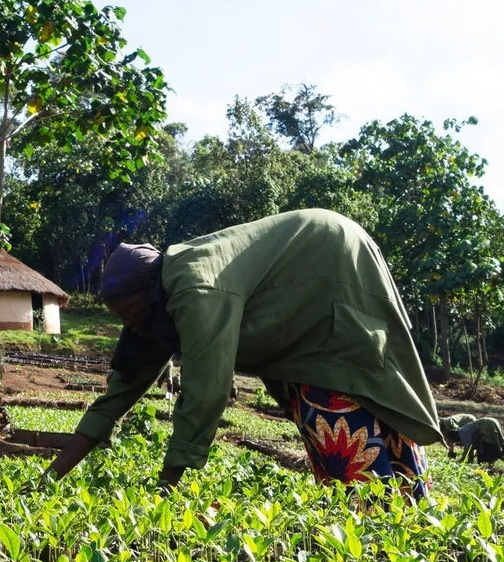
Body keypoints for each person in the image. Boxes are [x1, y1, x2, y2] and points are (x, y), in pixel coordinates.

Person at [48, 210, 442, 496]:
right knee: (335, 407)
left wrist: (164, 490)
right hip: (312, 295)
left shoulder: (193, 289)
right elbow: (117, 396)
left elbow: (206, 392)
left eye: (127, 313)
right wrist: (49, 479)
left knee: (335, 408)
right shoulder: (154, 311)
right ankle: (402, 520)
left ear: (144, 294)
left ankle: (386, 535)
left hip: (330, 272)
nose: (127, 325)